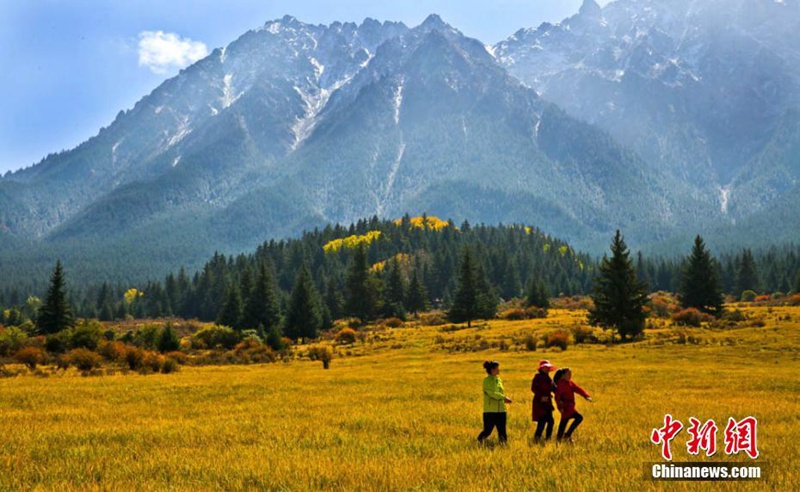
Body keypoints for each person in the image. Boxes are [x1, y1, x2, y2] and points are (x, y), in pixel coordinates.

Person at [477, 360, 512, 444]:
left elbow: (499, 392)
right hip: (490, 410)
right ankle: (480, 440)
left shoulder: (499, 379)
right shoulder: (486, 380)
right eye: (497, 368)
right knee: (488, 430)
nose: (499, 370)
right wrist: (503, 398)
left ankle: (503, 446)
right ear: (492, 370)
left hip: (501, 410)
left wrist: (503, 399)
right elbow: (492, 393)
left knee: (502, 430)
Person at [554, 367, 592, 443]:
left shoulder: (570, 383)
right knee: (578, 418)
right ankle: (566, 435)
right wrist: (560, 407)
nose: (570, 376)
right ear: (563, 375)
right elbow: (557, 397)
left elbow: (578, 389)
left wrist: (586, 396)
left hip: (570, 407)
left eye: (570, 374)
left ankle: (563, 437)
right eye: (568, 374)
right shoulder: (560, 384)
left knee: (564, 423)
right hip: (565, 407)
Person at [531, 359, 556, 442]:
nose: (548, 369)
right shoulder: (537, 377)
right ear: (541, 368)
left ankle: (547, 438)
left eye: (548, 367)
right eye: (546, 367)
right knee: (542, 422)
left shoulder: (548, 378)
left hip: (547, 403)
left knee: (550, 421)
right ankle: (537, 439)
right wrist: (541, 397)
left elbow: (554, 388)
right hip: (539, 403)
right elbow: (534, 388)